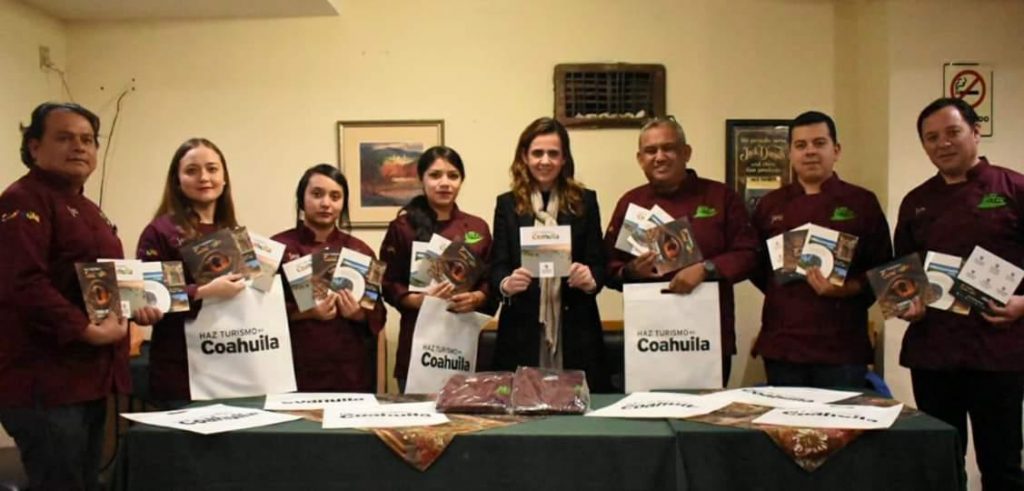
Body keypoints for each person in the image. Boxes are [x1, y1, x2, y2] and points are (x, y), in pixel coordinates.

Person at [0, 102, 159, 490]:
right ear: (34, 146)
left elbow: (99, 280)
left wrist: (136, 306)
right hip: (46, 382)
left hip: (90, 378)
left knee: (86, 481)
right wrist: (85, 329)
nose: (79, 147)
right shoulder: (23, 200)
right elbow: (23, 284)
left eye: (87, 140)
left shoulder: (87, 208)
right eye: (65, 138)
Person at [894, 97, 1024, 490]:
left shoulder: (1014, 188)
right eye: (931, 137)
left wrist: (1023, 304)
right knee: (940, 465)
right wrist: (906, 302)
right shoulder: (916, 202)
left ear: (976, 132)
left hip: (998, 352)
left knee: (1002, 465)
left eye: (952, 132)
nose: (943, 143)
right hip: (933, 354)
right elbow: (901, 272)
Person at [603, 116, 758, 386]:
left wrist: (706, 269)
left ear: (686, 152)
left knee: (706, 413)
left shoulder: (721, 197)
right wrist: (630, 271)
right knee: (647, 412)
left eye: (668, 148)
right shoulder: (631, 202)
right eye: (650, 151)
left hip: (706, 337)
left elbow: (749, 254)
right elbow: (606, 267)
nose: (659, 157)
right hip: (649, 339)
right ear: (640, 159)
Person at [750, 111, 892, 388]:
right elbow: (757, 268)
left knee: (841, 416)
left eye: (819, 143)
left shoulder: (862, 202)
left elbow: (884, 269)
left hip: (842, 346)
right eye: (801, 145)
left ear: (836, 150)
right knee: (787, 417)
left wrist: (845, 289)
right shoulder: (770, 205)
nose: (810, 152)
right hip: (783, 345)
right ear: (790, 153)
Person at [491, 117, 609, 391]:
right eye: (537, 153)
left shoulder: (585, 201)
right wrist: (506, 284)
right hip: (522, 329)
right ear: (524, 157)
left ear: (564, 158)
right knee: (522, 407)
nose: (545, 161)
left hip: (576, 328)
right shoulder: (507, 204)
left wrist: (590, 279)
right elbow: (497, 265)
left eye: (553, 153)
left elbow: (599, 263)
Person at [136, 138, 246, 405]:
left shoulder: (233, 232)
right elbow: (151, 296)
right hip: (180, 368)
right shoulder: (160, 232)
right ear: (177, 180)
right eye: (192, 171)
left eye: (212, 169)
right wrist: (205, 292)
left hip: (231, 364)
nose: (204, 178)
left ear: (224, 178)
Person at [380, 146, 492, 392]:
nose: (445, 183)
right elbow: (388, 283)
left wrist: (477, 297)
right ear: (421, 179)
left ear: (462, 180)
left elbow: (491, 280)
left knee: (464, 413)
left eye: (453, 176)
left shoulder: (478, 228)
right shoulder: (402, 227)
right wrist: (417, 300)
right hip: (417, 341)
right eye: (435, 175)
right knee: (416, 416)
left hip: (462, 340)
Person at [273, 164, 386, 391]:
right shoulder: (278, 247)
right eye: (317, 194)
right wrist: (306, 312)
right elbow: (259, 313)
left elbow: (379, 312)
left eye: (335, 197)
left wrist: (358, 314)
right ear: (301, 199)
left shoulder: (360, 250)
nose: (326, 203)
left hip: (351, 371)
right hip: (294, 369)